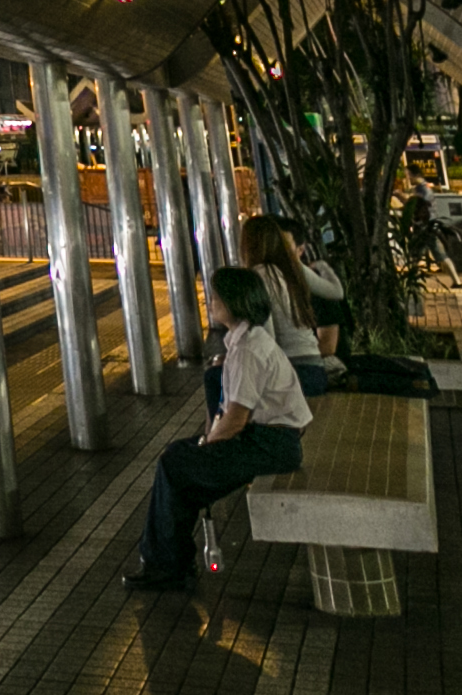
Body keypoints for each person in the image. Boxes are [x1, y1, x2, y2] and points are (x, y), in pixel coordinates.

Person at [126, 266, 313, 590]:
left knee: (175, 464)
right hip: (273, 438)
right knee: (179, 465)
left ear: (234, 302)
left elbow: (235, 420)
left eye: (215, 297)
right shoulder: (247, 342)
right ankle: (169, 563)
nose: (208, 302)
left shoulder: (249, 351)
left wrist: (207, 444)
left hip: (270, 444)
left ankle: (168, 565)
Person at [243, 216, 342, 401]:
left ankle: (215, 429)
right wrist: (323, 267)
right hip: (314, 370)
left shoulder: (256, 278)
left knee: (220, 378)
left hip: (290, 373)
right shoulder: (295, 268)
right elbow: (336, 292)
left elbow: (267, 340)